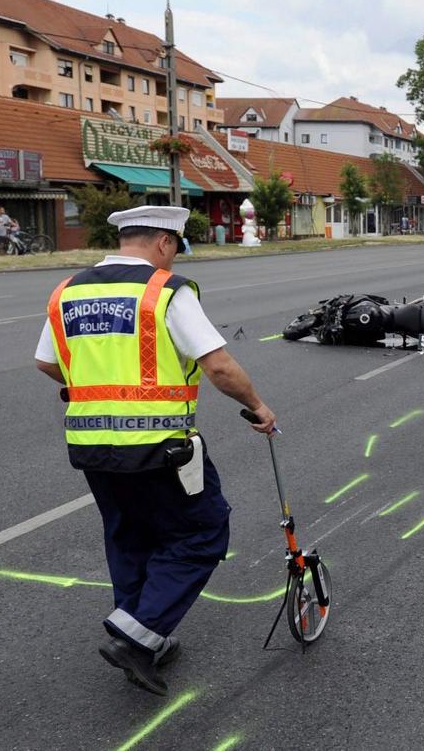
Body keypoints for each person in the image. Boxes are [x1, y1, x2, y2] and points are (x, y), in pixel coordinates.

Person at [33, 206, 277, 696]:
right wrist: (257, 406)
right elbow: (219, 366)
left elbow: (46, 362)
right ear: (165, 243)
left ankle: (144, 635)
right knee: (203, 533)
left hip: (90, 444)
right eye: (176, 248)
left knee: (128, 537)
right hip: (159, 445)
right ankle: (136, 638)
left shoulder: (67, 291)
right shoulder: (165, 291)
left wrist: (96, 389)